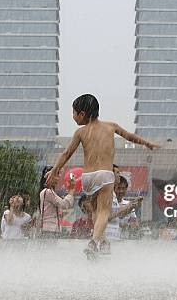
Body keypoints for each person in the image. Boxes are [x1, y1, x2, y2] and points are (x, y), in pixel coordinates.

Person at [45, 94, 159, 257]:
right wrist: (147, 143)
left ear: (82, 114)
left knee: (95, 211)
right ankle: (93, 243)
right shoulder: (110, 126)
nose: (73, 117)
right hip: (105, 175)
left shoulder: (80, 132)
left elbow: (66, 153)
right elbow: (130, 137)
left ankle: (104, 241)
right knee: (104, 212)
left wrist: (55, 169)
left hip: (88, 177)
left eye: (73, 113)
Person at [38, 166, 76, 239]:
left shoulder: (50, 192)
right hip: (49, 231)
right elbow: (64, 204)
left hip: (51, 230)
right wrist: (72, 190)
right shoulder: (47, 192)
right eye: (56, 175)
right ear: (48, 176)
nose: (58, 178)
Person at [113, 175, 140, 239]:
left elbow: (134, 223)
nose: (121, 191)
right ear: (113, 189)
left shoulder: (128, 204)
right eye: (119, 188)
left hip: (124, 241)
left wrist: (133, 225)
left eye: (123, 188)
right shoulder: (108, 203)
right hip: (110, 239)